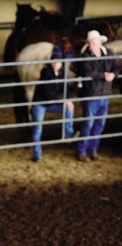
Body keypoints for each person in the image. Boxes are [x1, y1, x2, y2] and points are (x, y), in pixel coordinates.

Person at [73, 30, 119, 162]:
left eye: (96, 41)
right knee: (88, 123)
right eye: (92, 42)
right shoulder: (85, 57)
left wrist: (113, 74)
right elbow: (88, 73)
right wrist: (104, 75)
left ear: (100, 42)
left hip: (104, 94)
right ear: (88, 43)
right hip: (91, 95)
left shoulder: (108, 53)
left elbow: (116, 67)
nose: (94, 44)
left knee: (100, 124)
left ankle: (93, 150)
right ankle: (81, 151)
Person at [30, 45, 75, 163]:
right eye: (53, 61)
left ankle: (68, 134)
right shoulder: (45, 73)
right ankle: (36, 153)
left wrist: (68, 99)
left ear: (61, 63)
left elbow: (65, 88)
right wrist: (63, 101)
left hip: (51, 102)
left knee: (69, 108)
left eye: (58, 61)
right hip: (40, 103)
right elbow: (48, 93)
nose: (55, 63)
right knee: (38, 128)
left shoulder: (61, 74)